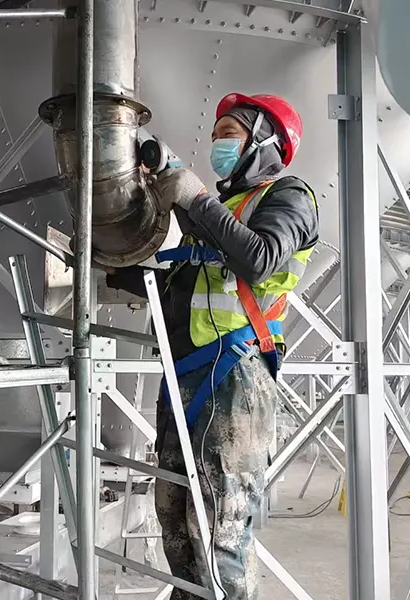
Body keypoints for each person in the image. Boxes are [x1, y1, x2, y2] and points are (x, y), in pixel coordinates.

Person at [103, 93, 319, 599]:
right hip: (186, 376)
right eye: (216, 133)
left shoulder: (289, 196)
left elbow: (260, 260)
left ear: (265, 141)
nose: (218, 143)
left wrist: (196, 200)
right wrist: (108, 265)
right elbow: (178, 285)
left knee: (220, 532)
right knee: (175, 520)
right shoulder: (221, 216)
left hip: (235, 377)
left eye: (230, 133)